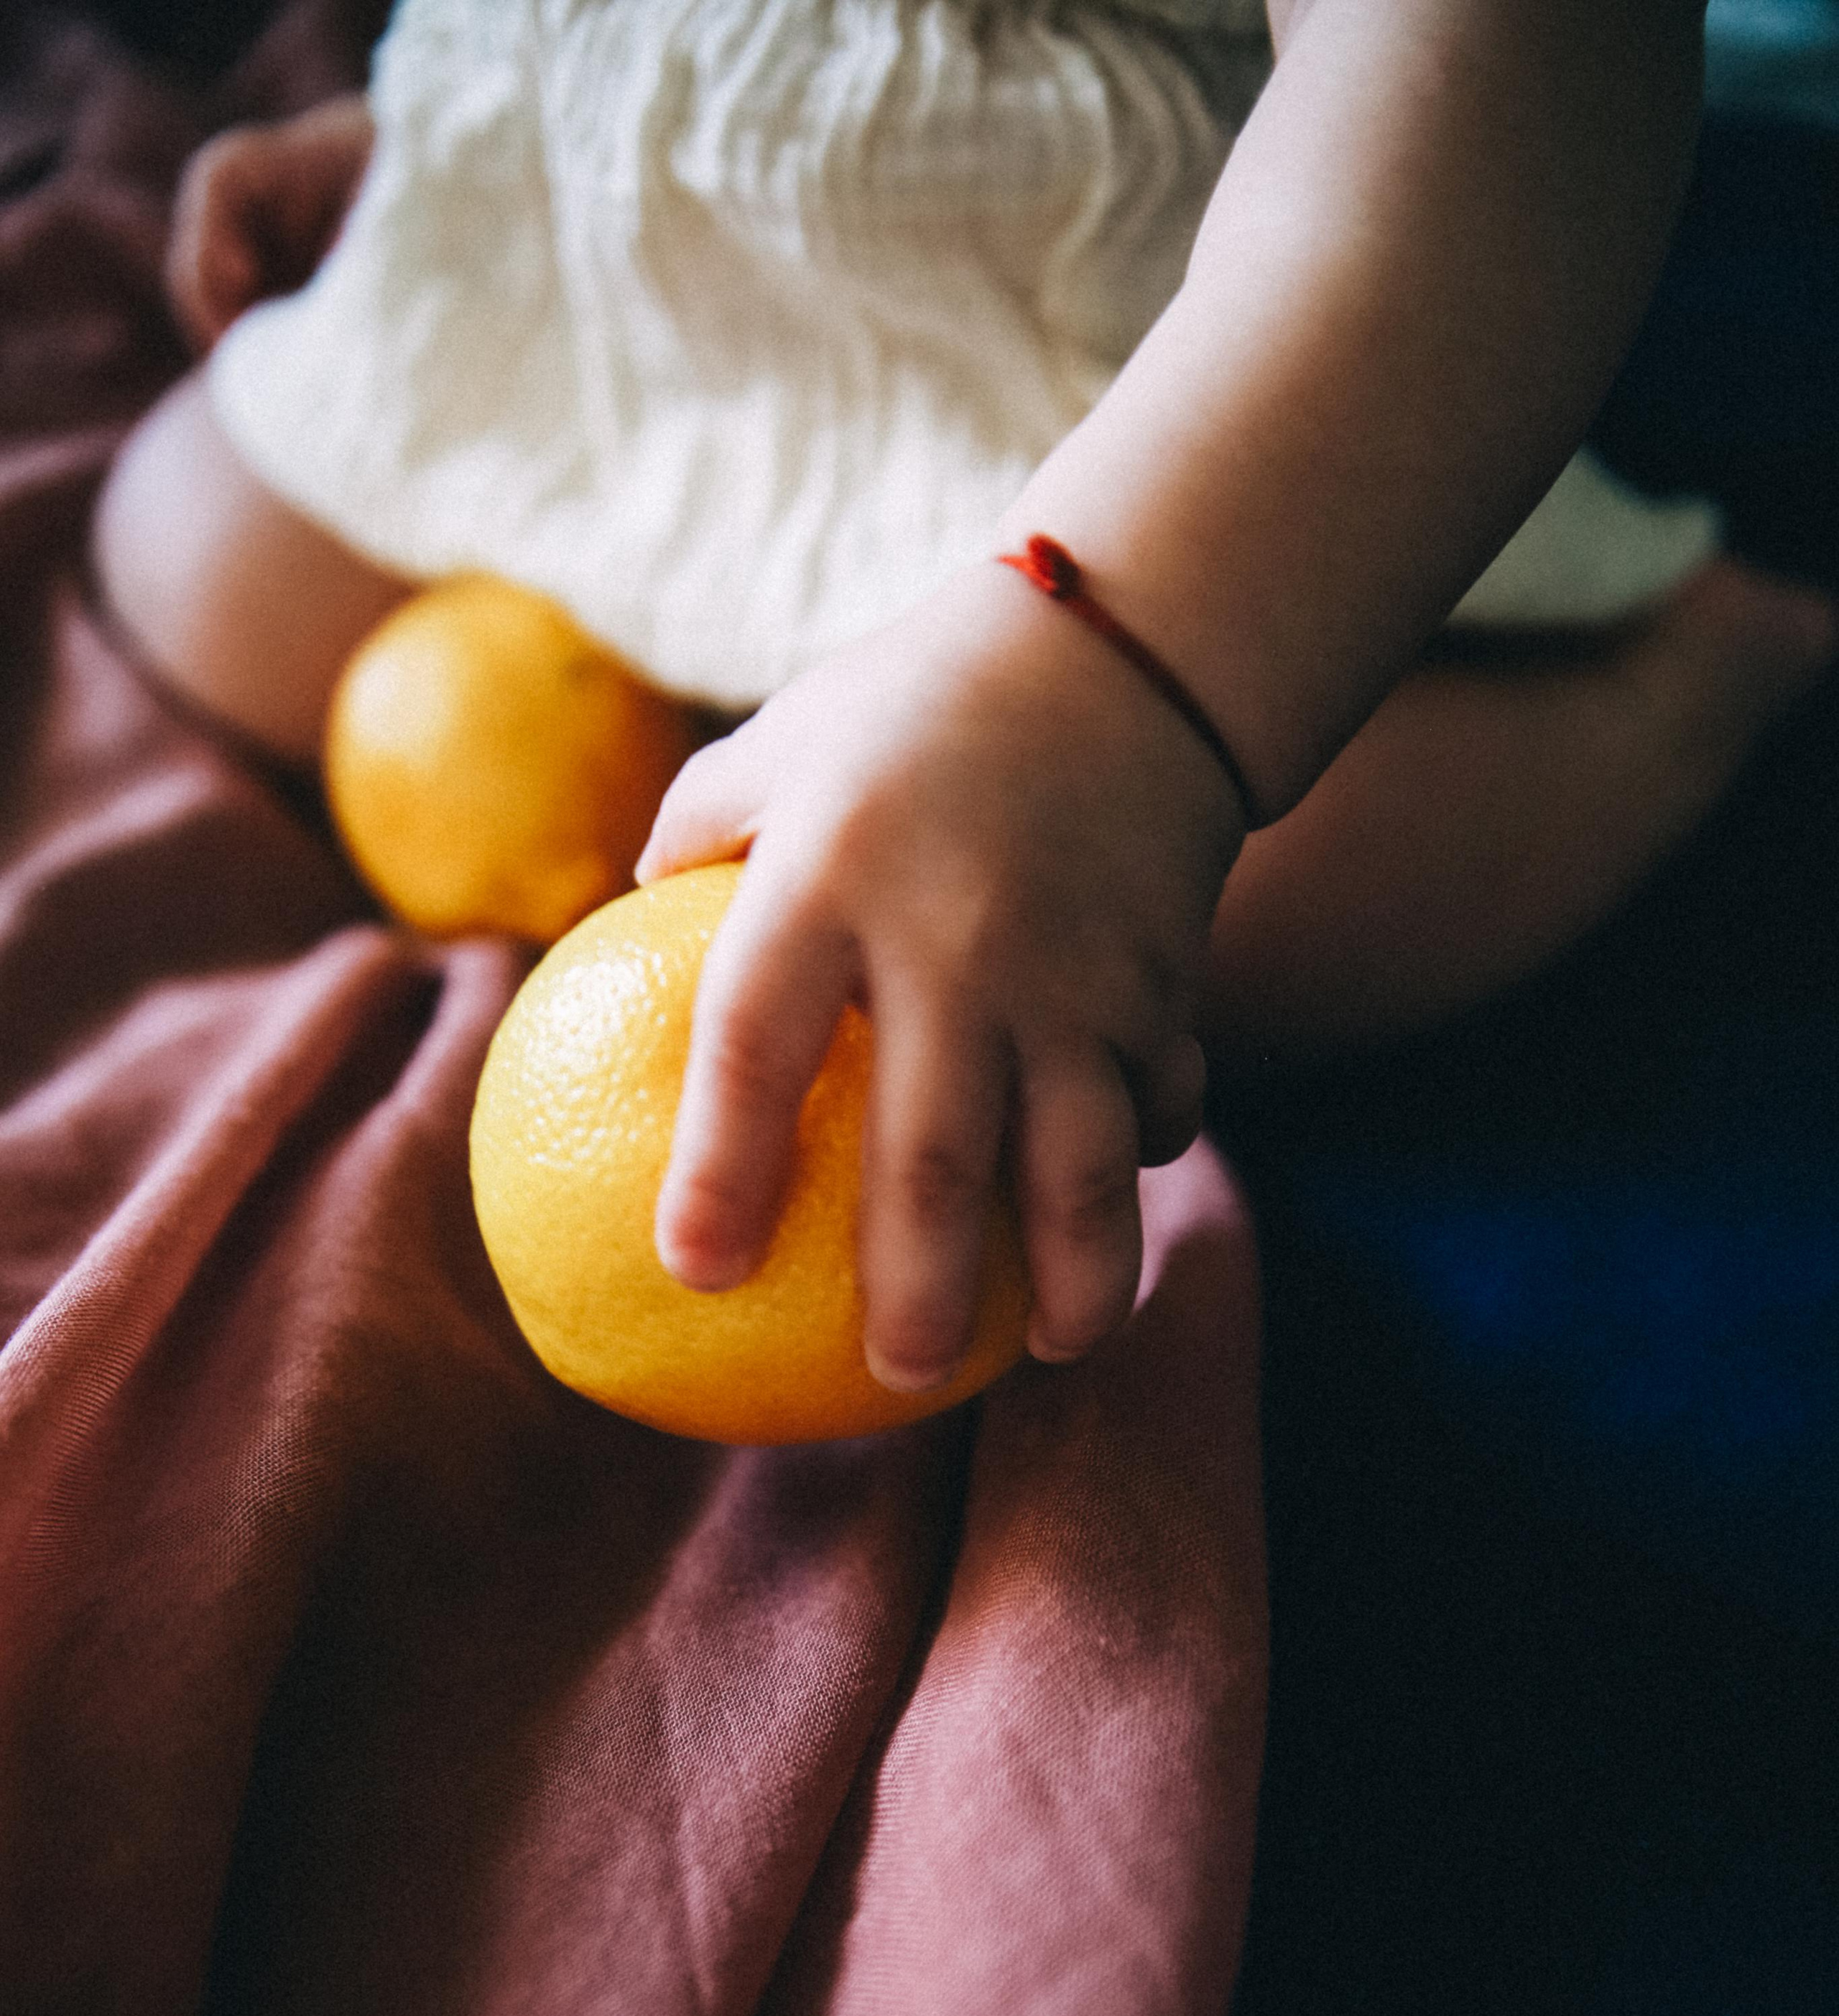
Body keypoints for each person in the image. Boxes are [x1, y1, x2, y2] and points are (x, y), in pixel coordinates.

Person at [93, 0, 1835, 1402]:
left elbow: (1511, 72)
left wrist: (1127, 681)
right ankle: (721, 714)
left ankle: (1690, 685)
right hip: (647, 288)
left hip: (1112, 406)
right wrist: (445, 147)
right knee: (188, 564)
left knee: (1228, 907)